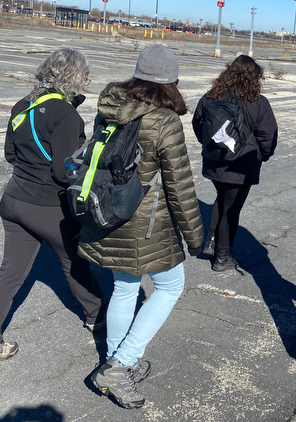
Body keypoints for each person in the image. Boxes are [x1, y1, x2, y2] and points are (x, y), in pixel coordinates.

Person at [79, 44, 203, 409]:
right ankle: (121, 363)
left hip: (108, 212)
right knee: (170, 285)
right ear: (170, 82)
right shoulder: (165, 121)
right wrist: (196, 236)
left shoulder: (109, 108)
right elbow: (180, 185)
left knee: (124, 287)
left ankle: (117, 362)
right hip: (145, 222)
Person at [0, 48, 105, 371]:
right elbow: (63, 171)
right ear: (73, 77)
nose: (86, 81)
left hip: (13, 200)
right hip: (46, 205)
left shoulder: (22, 105)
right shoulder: (65, 114)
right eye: (85, 76)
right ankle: (97, 317)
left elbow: (10, 155)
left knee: (9, 273)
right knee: (74, 263)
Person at [192, 55, 278, 271]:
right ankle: (222, 257)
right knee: (231, 208)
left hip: (214, 160)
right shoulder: (258, 102)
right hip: (241, 164)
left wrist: (211, 147)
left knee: (222, 198)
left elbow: (198, 124)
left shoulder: (211, 97)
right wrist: (262, 155)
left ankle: (210, 242)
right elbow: (268, 135)